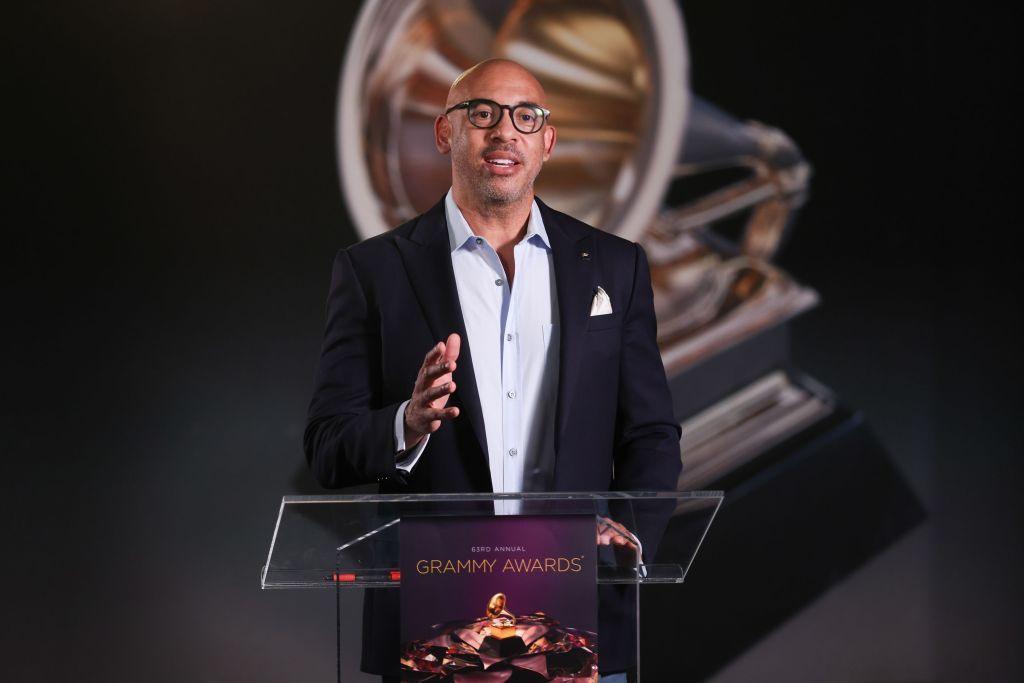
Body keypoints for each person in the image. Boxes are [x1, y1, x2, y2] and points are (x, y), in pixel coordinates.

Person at [305, 59, 681, 682]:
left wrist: (628, 542)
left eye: (525, 117)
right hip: (432, 618)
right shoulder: (373, 271)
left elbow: (651, 434)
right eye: (482, 114)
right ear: (445, 133)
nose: (505, 132)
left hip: (577, 612)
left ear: (547, 142)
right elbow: (326, 447)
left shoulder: (616, 267)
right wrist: (406, 423)